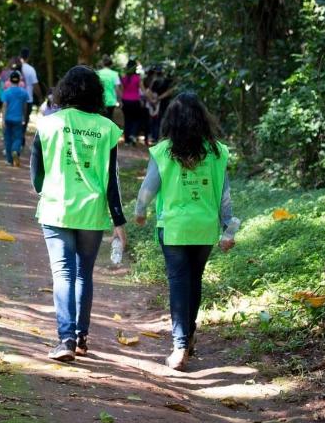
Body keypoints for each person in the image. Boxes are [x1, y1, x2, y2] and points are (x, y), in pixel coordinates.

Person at [30, 66, 128, 362]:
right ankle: (82, 337)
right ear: (97, 93)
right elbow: (112, 179)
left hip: (56, 207)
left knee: (63, 273)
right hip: (91, 211)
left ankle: (66, 338)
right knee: (83, 274)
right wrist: (118, 221)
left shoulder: (48, 123)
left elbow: (37, 170)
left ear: (64, 90)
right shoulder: (107, 128)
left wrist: (42, 190)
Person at [134, 92, 236, 371]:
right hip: (204, 227)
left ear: (172, 120)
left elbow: (148, 189)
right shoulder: (217, 152)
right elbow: (224, 195)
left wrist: (139, 212)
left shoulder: (164, 151)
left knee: (179, 281)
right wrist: (228, 226)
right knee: (194, 280)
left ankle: (180, 347)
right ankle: (188, 338)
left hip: (174, 228)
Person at [0, 70, 29, 167]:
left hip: (8, 118)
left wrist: (3, 119)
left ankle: (9, 160)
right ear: (19, 80)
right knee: (18, 137)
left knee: (8, 139)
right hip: (18, 119)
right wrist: (24, 117)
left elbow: (4, 106)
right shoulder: (24, 93)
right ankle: (16, 150)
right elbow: (25, 107)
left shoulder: (6, 92)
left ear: (10, 80)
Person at [120, 58, 143, 145]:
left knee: (127, 120)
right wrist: (150, 99)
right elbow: (143, 90)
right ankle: (133, 135)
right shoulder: (137, 78)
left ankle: (126, 141)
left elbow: (122, 90)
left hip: (125, 101)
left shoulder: (124, 78)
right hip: (135, 101)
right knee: (136, 119)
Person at [19, 47, 41, 136]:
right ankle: (21, 138)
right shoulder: (30, 69)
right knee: (25, 119)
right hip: (28, 98)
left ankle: (17, 139)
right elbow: (35, 85)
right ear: (28, 57)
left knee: (17, 119)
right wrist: (40, 97)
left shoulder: (16, 68)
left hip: (16, 98)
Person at [96, 55, 121, 121]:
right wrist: (119, 100)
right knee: (109, 119)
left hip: (100, 100)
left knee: (100, 119)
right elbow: (117, 88)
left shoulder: (97, 73)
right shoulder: (115, 74)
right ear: (111, 64)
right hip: (111, 101)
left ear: (103, 63)